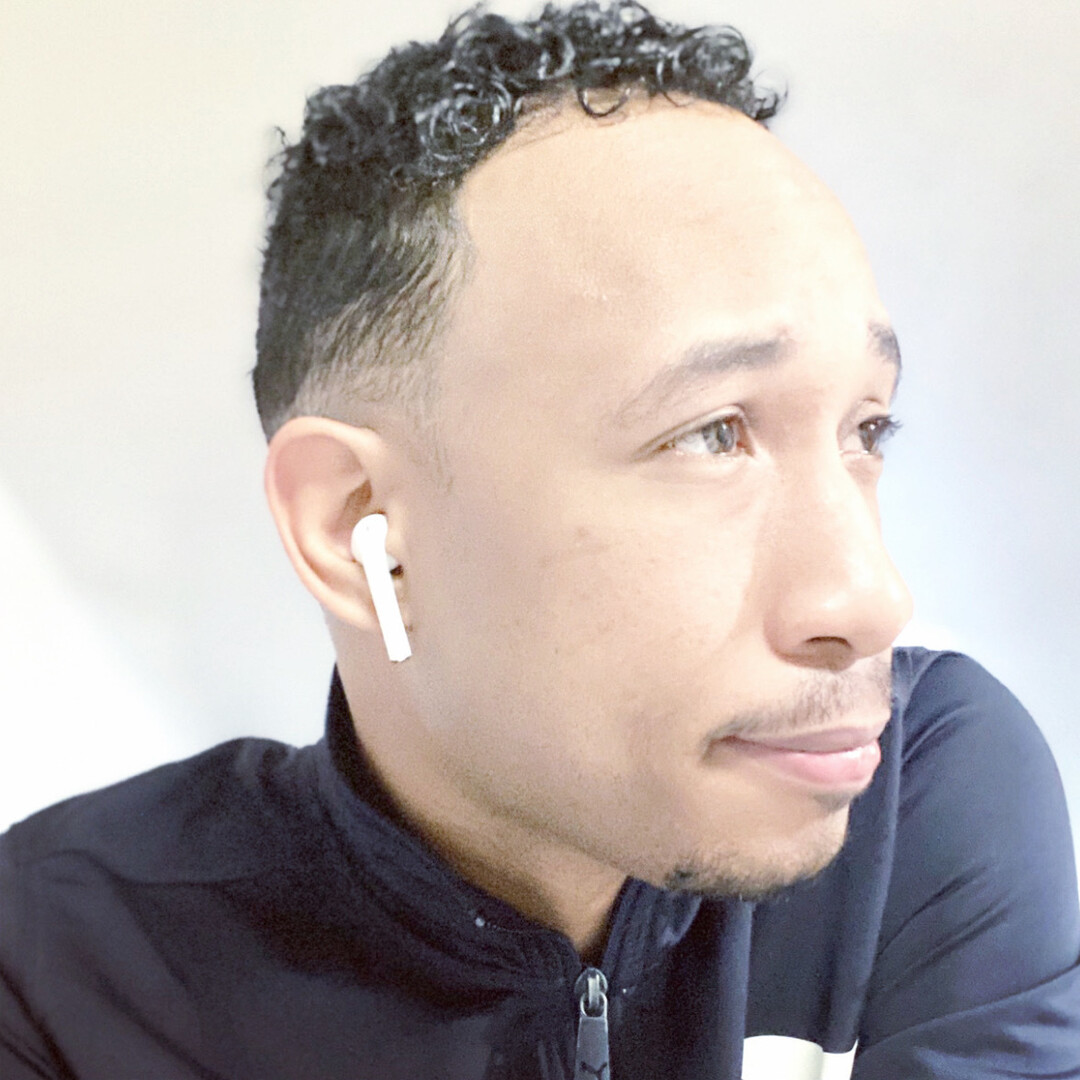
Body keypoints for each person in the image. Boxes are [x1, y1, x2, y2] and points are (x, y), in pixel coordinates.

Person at [2, 3, 1078, 1077]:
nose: (870, 599)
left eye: (866, 429)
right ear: (359, 527)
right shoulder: (58, 968)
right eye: (712, 434)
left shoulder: (921, 792)